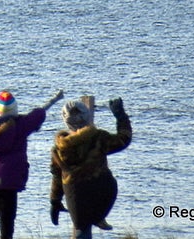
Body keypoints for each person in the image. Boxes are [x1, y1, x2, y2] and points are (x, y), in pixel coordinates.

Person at [0, 88, 64, 239]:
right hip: (8, 183)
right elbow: (37, 116)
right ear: (13, 112)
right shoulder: (18, 127)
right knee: (7, 226)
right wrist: (54, 100)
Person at [49, 97, 132, 239]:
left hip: (74, 192)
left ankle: (98, 218)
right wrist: (120, 115)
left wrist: (55, 201)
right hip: (99, 187)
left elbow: (57, 175)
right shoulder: (98, 137)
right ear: (87, 117)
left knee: (81, 230)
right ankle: (99, 217)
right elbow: (123, 139)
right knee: (111, 182)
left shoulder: (59, 147)